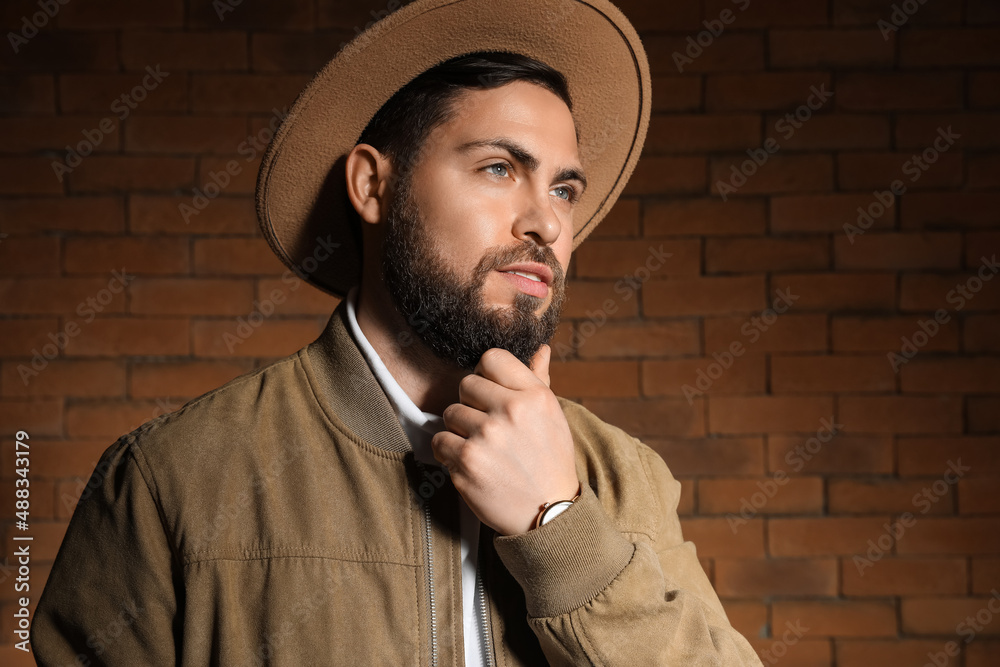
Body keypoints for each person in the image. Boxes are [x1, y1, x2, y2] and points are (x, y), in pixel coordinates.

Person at [32, 0, 762, 664]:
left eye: (564, 187)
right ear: (372, 186)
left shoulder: (623, 477)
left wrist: (560, 525)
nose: (548, 221)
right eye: (501, 167)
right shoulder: (170, 481)